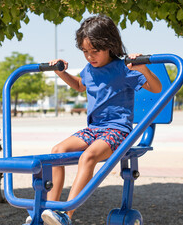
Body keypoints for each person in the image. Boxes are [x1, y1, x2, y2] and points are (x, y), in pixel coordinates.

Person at [26, 15, 162, 225]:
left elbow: (157, 89)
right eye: (85, 52)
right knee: (56, 152)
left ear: (109, 45)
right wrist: (60, 72)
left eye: (94, 51)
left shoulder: (124, 68)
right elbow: (81, 85)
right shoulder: (89, 69)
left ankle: (66, 214)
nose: (89, 57)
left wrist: (143, 68)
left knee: (87, 158)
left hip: (118, 131)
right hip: (94, 130)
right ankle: (50, 211)